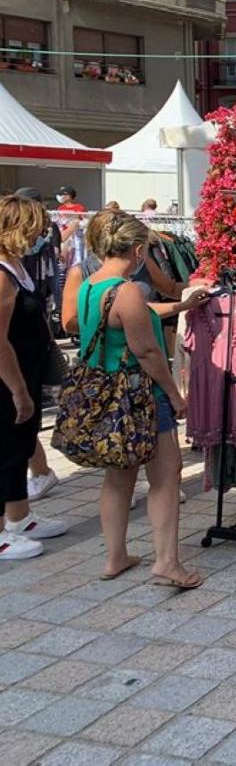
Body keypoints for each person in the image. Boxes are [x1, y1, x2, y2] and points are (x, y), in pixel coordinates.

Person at [76, 211, 204, 585]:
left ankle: (115, 557)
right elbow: (148, 352)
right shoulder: (128, 289)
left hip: (105, 393)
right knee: (167, 475)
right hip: (138, 393)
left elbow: (138, 315)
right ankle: (167, 561)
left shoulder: (92, 285)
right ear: (137, 249)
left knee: (118, 476)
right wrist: (175, 395)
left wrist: (182, 306)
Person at [0, 195, 68, 559]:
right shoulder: (2, 276)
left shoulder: (17, 268)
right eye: (36, 227)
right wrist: (18, 391)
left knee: (21, 445)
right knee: (5, 450)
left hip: (25, 372)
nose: (43, 234)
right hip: (8, 381)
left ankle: (19, 516)